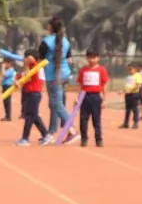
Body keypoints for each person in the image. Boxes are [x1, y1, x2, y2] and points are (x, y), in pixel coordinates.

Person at [38, 17, 77, 145]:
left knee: (57, 104)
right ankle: (51, 131)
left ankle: (72, 129)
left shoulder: (46, 42)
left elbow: (40, 59)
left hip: (54, 76)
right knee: (53, 103)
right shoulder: (65, 41)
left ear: (50, 27)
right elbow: (69, 59)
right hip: (64, 74)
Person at [16, 50, 48, 146]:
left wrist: (27, 61)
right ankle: (45, 134)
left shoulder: (36, 66)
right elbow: (20, 77)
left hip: (34, 93)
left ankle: (25, 138)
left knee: (30, 116)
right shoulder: (30, 67)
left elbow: (31, 61)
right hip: (29, 93)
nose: (24, 59)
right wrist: (16, 81)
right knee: (33, 116)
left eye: (26, 57)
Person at [76, 49, 108, 147]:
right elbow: (80, 85)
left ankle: (98, 139)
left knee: (96, 119)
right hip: (84, 96)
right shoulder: (83, 70)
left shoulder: (101, 70)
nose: (91, 60)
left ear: (98, 58)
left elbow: (104, 85)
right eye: (89, 57)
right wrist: (77, 97)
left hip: (96, 96)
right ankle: (84, 138)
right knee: (83, 119)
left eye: (93, 57)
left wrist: (104, 99)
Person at [120, 61, 142, 129]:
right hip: (128, 94)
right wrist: (123, 91)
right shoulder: (129, 76)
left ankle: (136, 123)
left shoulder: (138, 75)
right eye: (128, 69)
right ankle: (126, 123)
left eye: (130, 69)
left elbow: (138, 85)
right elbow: (127, 85)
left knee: (135, 109)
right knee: (127, 109)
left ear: (135, 69)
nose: (129, 71)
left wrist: (131, 90)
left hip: (134, 94)